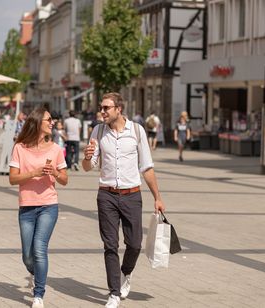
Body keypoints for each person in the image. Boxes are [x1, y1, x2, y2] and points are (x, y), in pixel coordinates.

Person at [82, 92, 166, 308]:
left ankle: (125, 272)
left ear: (119, 109)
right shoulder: (98, 131)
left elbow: (146, 167)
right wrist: (86, 156)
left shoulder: (137, 131)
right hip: (106, 195)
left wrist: (157, 197)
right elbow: (88, 166)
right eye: (102, 107)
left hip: (132, 195)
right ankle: (114, 293)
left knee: (135, 244)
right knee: (110, 245)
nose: (102, 111)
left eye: (106, 108)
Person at [8, 107, 68, 308]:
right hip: (26, 207)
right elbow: (12, 178)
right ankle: (36, 273)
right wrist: (33, 172)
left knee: (40, 249)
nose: (52, 122)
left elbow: (65, 180)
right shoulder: (20, 147)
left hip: (48, 206)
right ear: (37, 123)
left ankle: (39, 294)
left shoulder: (56, 149)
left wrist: (55, 174)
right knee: (27, 256)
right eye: (49, 120)